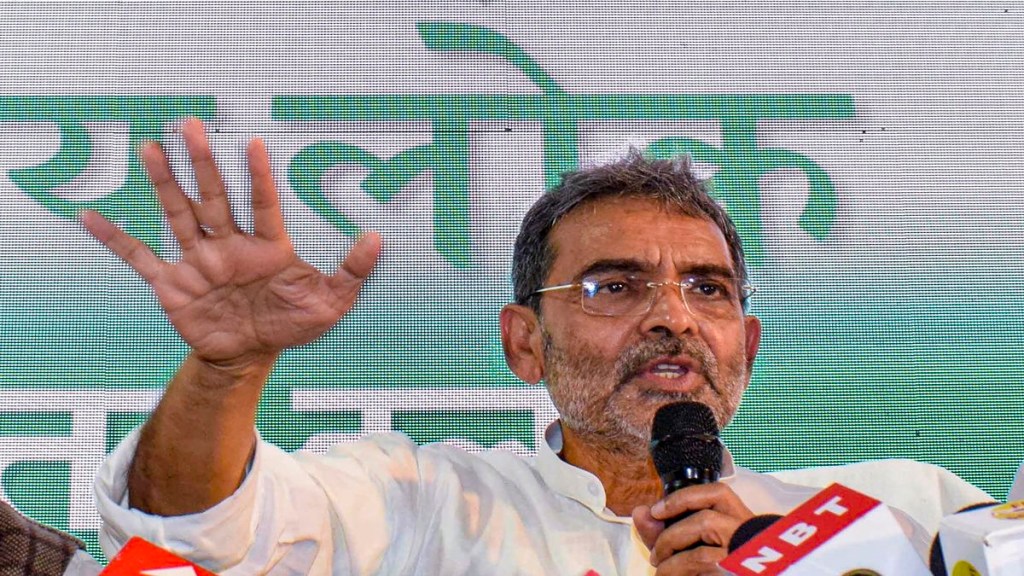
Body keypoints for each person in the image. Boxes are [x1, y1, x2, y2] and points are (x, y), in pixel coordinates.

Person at [84, 118, 928, 575]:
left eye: (708, 289)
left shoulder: (881, 515)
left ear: (748, 344)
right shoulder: (421, 503)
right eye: (615, 286)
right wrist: (227, 369)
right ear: (525, 344)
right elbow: (194, 536)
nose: (673, 317)